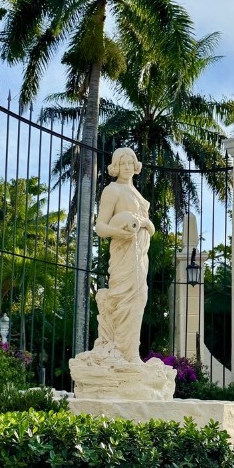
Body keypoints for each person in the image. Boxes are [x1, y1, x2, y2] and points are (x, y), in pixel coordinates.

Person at [94, 148, 155, 362]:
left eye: (131, 162)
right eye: (123, 163)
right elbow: (100, 227)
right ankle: (124, 352)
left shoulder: (136, 193)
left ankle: (129, 351)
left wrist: (146, 223)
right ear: (116, 166)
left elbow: (150, 227)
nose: (128, 167)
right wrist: (118, 232)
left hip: (140, 253)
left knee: (140, 297)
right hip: (123, 251)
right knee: (126, 299)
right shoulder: (113, 190)